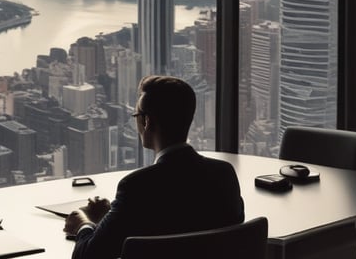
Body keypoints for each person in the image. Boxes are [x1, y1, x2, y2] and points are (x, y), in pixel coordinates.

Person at [64, 75, 245, 259]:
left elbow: (88, 256)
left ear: (146, 121)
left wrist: (83, 223)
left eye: (136, 116)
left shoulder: (136, 187)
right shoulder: (224, 174)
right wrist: (109, 218)